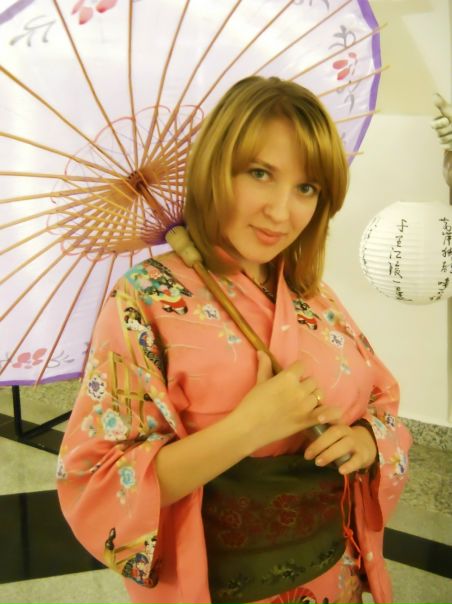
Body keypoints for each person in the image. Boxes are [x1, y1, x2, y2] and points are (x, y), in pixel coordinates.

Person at [56, 76, 412, 604]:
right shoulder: (145, 299)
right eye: (260, 173)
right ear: (216, 169)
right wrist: (249, 428)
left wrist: (365, 441)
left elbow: (381, 401)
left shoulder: (315, 295)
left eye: (307, 188)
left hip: (332, 576)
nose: (281, 212)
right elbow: (99, 478)